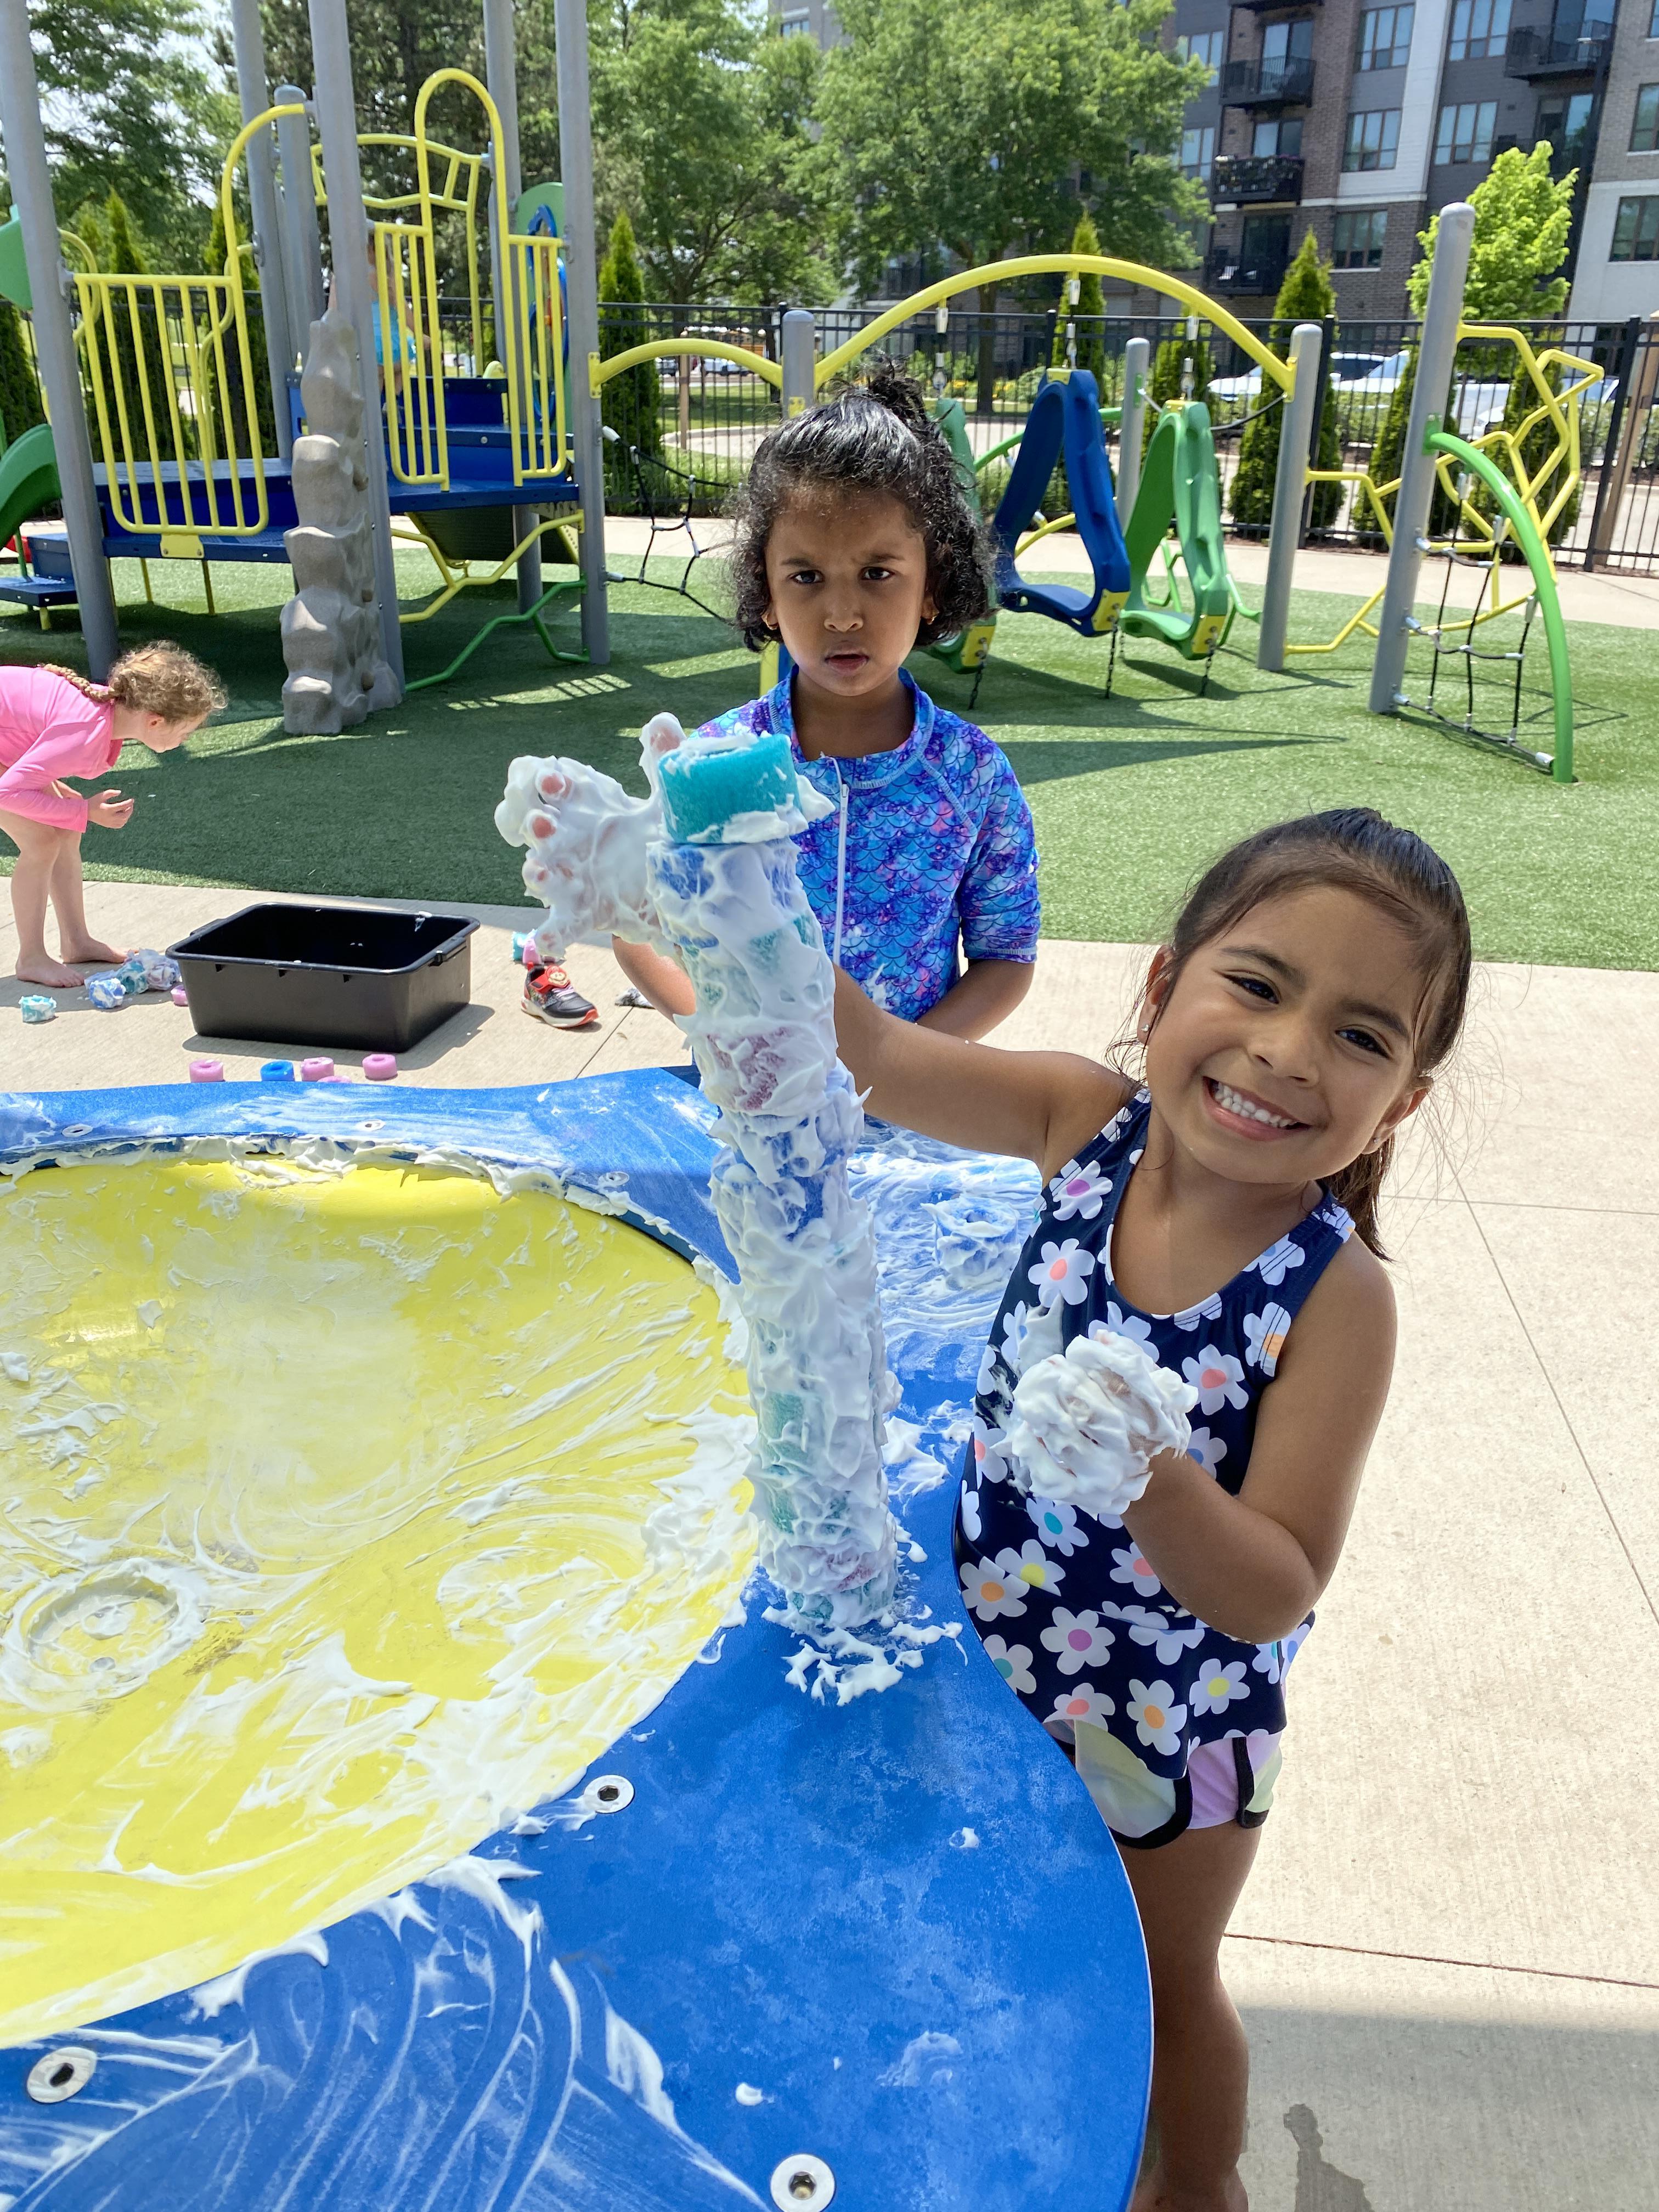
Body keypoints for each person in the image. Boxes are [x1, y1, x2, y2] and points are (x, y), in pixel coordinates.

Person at [830, 808, 1471, 2212]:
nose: (1289, 1052)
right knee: (1007, 1932)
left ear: (1402, 1103)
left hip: (1173, 1719)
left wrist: (1153, 1478)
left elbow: (1276, 1584)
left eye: (1362, 1036)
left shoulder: (1334, 1296)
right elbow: (868, 1056)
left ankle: (1198, 2185)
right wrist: (729, 905)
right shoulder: (1079, 1124)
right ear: (1166, 984)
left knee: (1162, 1979)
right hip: (998, 1657)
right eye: (1259, 984)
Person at [613, 363, 1039, 1040]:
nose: (842, 614)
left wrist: (905, 1063)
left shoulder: (971, 775)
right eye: (807, 576)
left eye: (877, 573)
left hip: (916, 1094)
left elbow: (1006, 954)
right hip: (750, 1088)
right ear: (767, 593)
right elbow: (638, 925)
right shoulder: (715, 763)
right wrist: (728, 1037)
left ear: (931, 587)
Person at [0, 648, 225, 989]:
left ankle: (76, 942)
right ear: (155, 721)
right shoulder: (85, 731)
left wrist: (71, 809)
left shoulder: (105, 711)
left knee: (64, 827)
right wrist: (84, 811)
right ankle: (31, 957)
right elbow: (7, 792)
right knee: (42, 842)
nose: (185, 741)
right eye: (185, 733)